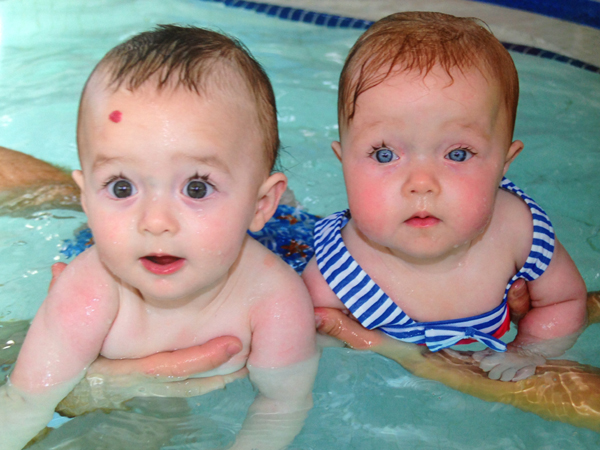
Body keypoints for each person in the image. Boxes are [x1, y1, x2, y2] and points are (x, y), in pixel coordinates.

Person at [0, 25, 319, 450]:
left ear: (261, 204)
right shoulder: (88, 291)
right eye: (121, 187)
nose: (155, 222)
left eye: (197, 188)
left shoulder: (275, 300)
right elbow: (24, 401)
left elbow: (282, 406)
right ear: (86, 200)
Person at [301, 11, 588, 383]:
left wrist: (530, 349)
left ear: (505, 163)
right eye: (384, 154)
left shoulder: (518, 230)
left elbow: (564, 302)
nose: (421, 183)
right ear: (344, 164)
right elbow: (305, 347)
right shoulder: (333, 276)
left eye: (457, 154)